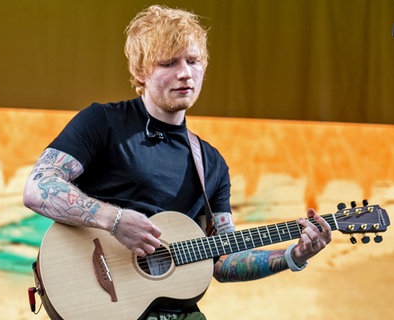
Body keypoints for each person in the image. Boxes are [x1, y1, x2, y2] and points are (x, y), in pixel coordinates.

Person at [23, 4, 332, 320]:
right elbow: (38, 187)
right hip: (103, 306)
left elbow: (222, 260)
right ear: (141, 71)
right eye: (169, 63)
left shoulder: (210, 163)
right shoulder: (103, 122)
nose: (185, 72)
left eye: (194, 61)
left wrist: (293, 255)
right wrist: (114, 220)